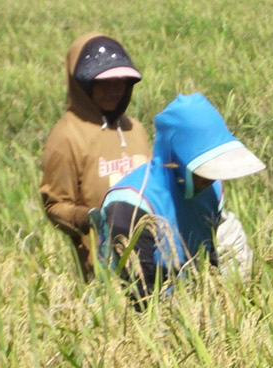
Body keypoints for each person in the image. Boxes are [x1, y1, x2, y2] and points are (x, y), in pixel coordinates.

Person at [99, 95, 264, 299]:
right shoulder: (131, 203)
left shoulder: (212, 189)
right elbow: (137, 293)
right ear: (175, 158)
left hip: (194, 302)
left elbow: (213, 261)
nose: (210, 179)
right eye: (201, 169)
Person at [39, 33, 147, 275]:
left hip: (148, 261)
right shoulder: (66, 136)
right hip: (100, 271)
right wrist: (88, 217)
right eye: (103, 83)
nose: (113, 90)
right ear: (83, 84)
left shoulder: (135, 129)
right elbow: (55, 205)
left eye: (120, 82)